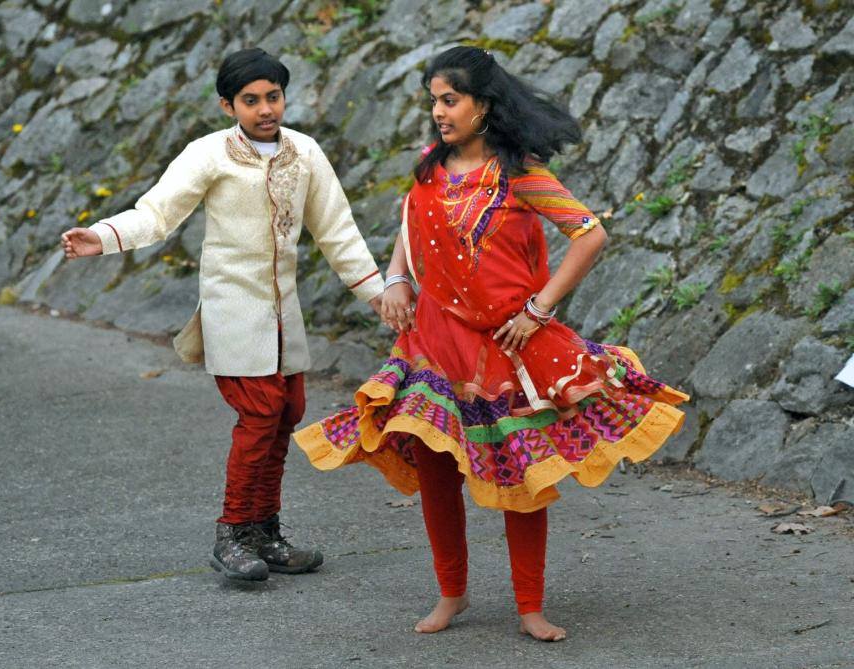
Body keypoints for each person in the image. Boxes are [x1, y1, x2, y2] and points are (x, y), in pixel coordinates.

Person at [293, 46, 688, 640]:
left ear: (483, 105)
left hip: (505, 345)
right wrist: (397, 277)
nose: (439, 112)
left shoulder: (519, 173)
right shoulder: (431, 164)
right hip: (431, 339)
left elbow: (590, 234)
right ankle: (451, 594)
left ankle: (530, 605)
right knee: (433, 465)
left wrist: (539, 308)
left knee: (522, 473)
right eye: (434, 101)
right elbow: (410, 217)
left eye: (449, 100)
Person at [60, 48, 384, 582]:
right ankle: (232, 533)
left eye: (273, 97)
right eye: (250, 100)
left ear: (284, 97)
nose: (264, 109)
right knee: (259, 415)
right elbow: (157, 213)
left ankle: (266, 532)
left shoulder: (304, 152)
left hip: (284, 310)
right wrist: (101, 237)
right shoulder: (209, 154)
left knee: (286, 414)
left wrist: (376, 293)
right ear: (227, 105)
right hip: (233, 307)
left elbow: (337, 229)